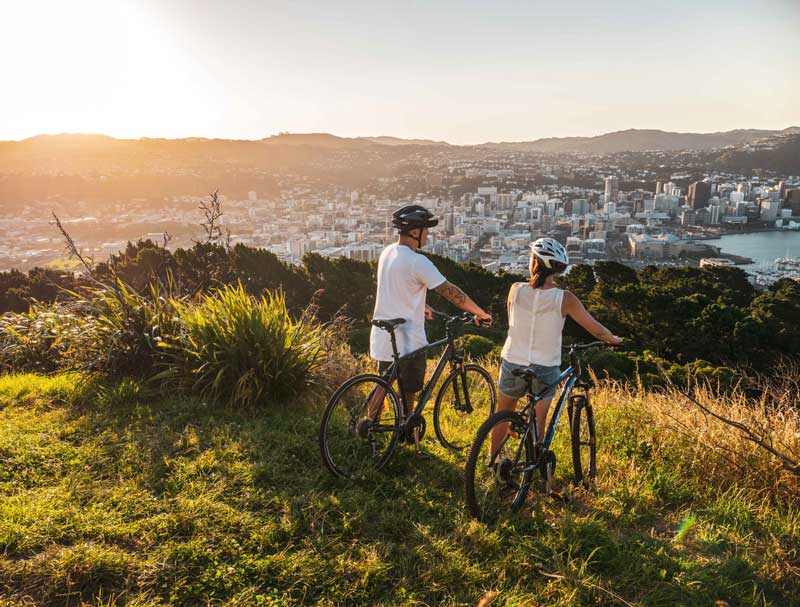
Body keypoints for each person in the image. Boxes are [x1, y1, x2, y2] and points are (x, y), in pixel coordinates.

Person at [368, 204, 493, 458]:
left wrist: (420, 303)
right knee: (410, 390)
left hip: (383, 332)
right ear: (415, 231)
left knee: (384, 383)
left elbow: (396, 285)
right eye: (425, 230)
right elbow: (451, 292)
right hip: (409, 338)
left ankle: (368, 428)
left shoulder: (387, 252)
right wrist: (480, 313)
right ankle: (410, 440)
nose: (428, 235)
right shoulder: (418, 261)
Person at [492, 237, 622, 455]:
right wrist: (614, 340)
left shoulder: (515, 289)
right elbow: (596, 329)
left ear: (535, 262)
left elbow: (511, 321)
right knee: (538, 424)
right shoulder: (565, 298)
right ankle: (534, 466)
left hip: (513, 360)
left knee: (501, 415)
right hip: (545, 366)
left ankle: (492, 460)